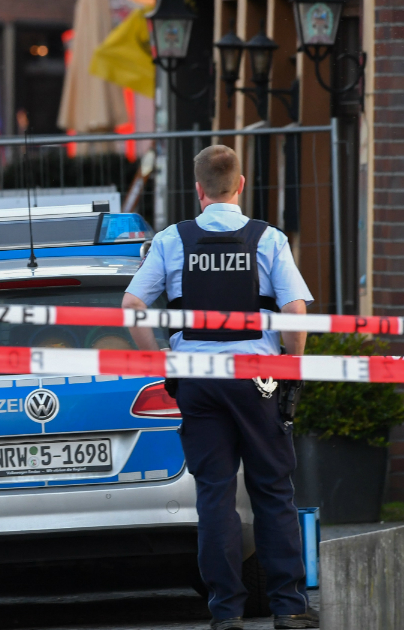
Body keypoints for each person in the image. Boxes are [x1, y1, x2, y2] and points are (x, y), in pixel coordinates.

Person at [122, 145, 319, 630]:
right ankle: (289, 607)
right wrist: (291, 366)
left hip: (198, 379)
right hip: (257, 379)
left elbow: (132, 306)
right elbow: (295, 312)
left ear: (198, 189)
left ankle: (226, 612)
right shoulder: (268, 239)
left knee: (214, 494)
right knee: (272, 491)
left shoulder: (171, 240)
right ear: (241, 184)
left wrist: (161, 361)